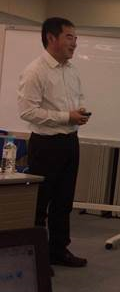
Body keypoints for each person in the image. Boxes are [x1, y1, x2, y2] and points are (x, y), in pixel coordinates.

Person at [17, 17, 91, 268]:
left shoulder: (72, 70)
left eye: (76, 38)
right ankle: (37, 258)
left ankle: (59, 250)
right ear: (51, 38)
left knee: (64, 201)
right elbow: (27, 112)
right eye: (69, 37)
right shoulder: (35, 71)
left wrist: (79, 113)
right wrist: (66, 116)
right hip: (46, 145)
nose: (74, 43)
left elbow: (77, 99)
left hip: (70, 142)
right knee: (40, 204)